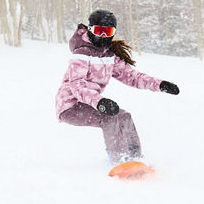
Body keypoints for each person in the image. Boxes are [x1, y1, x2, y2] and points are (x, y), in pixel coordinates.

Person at [56, 9, 180, 165]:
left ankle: (135, 158)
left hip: (90, 103)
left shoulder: (109, 56)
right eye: (98, 31)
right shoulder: (81, 53)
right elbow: (77, 85)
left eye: (107, 32)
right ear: (90, 29)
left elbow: (132, 77)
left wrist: (160, 85)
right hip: (70, 106)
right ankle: (119, 160)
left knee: (124, 117)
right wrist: (100, 102)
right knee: (109, 119)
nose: (102, 36)